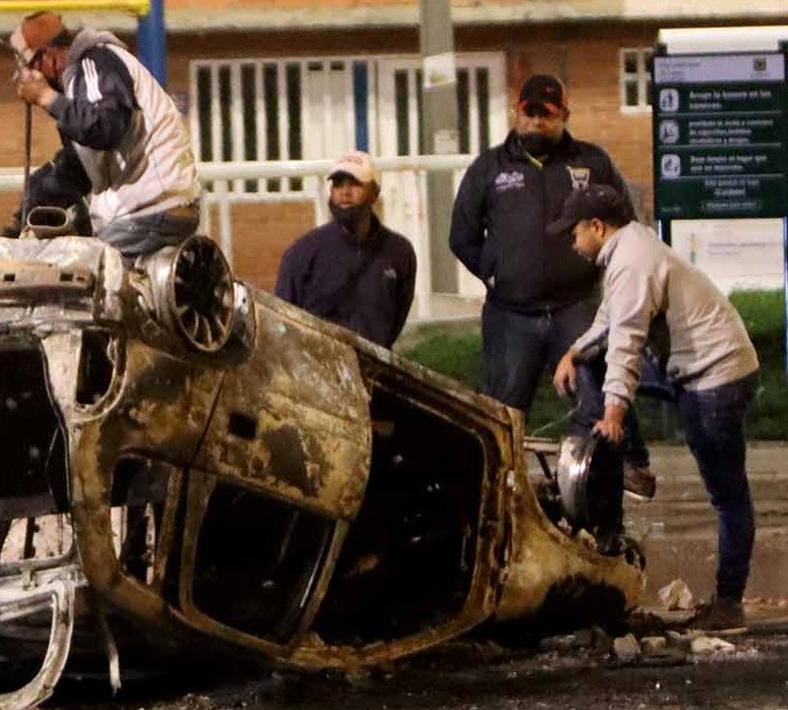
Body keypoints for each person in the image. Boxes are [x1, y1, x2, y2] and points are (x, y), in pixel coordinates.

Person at [549, 186, 759, 632]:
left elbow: (626, 342)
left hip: (716, 376)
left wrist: (614, 415)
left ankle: (728, 603)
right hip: (694, 367)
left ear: (597, 227)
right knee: (591, 360)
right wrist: (572, 350)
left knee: (728, 497)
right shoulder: (629, 251)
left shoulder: (632, 262)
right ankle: (636, 466)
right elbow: (609, 322)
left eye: (574, 233)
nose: (571, 243)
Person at [448, 74, 655, 496]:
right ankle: (501, 495)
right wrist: (495, 272)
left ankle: (598, 490)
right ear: (516, 111)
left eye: (547, 113)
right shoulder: (489, 168)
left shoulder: (593, 161)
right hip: (511, 314)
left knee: (595, 401)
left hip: (576, 308)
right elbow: (462, 236)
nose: (537, 121)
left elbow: (625, 225)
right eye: (530, 111)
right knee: (504, 413)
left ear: (564, 114)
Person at [9, 10, 202, 259]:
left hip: (148, 210)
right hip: (157, 208)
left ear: (50, 56)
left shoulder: (95, 62)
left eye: (31, 66)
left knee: (92, 281)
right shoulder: (85, 84)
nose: (29, 77)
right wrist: (35, 197)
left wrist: (48, 98)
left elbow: (105, 128)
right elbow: (81, 167)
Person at [274, 151, 417, 348]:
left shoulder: (399, 253)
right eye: (338, 184)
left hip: (374, 370)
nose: (345, 192)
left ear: (374, 192)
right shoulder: (303, 252)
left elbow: (395, 321)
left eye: (355, 184)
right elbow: (281, 322)